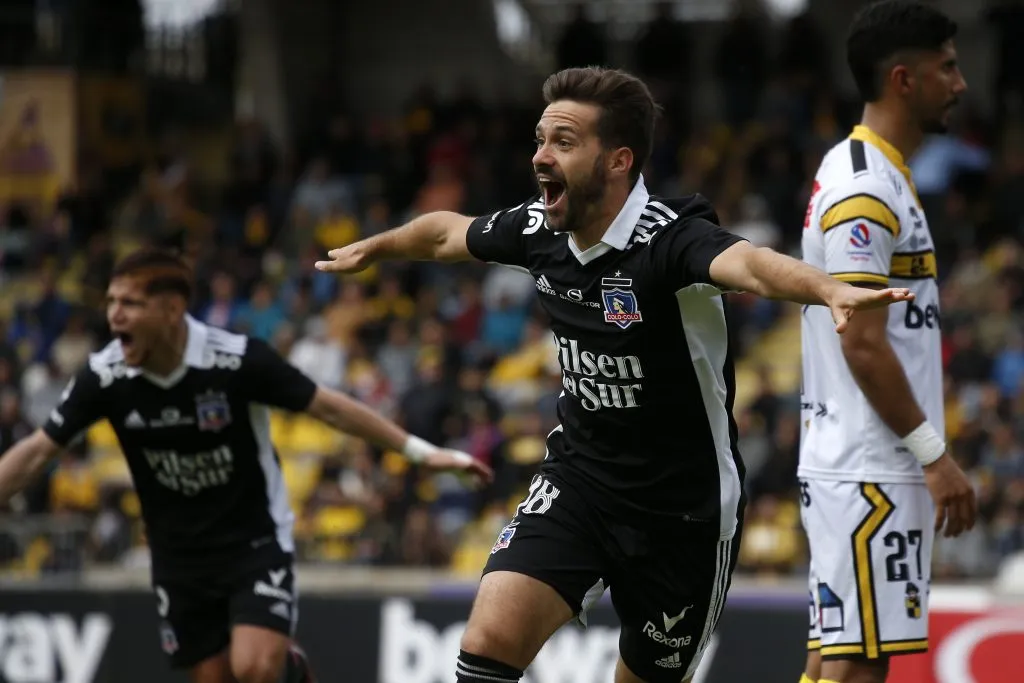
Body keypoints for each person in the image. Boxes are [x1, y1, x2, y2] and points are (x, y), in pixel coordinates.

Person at [316, 66, 912, 683]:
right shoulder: (538, 230)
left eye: (563, 142)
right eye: (540, 140)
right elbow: (447, 234)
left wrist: (828, 289)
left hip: (683, 513)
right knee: (488, 640)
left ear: (618, 160)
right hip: (581, 483)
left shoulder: (671, 242)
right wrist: (376, 247)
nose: (540, 157)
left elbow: (754, 267)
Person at [0, 248, 492, 683]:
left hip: (253, 541)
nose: (114, 316)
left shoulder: (234, 362)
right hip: (177, 554)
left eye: (129, 303)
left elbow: (329, 407)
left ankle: (290, 669)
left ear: (171, 309)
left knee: (254, 668)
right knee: (215, 677)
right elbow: (39, 450)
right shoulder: (105, 376)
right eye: (111, 302)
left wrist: (421, 452)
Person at [797, 3, 977, 683]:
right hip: (870, 465)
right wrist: (934, 455)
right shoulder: (866, 187)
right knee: (856, 667)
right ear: (904, 79)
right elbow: (864, 342)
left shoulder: (871, 171)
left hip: (859, 461)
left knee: (832, 660)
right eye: (947, 67)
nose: (960, 84)